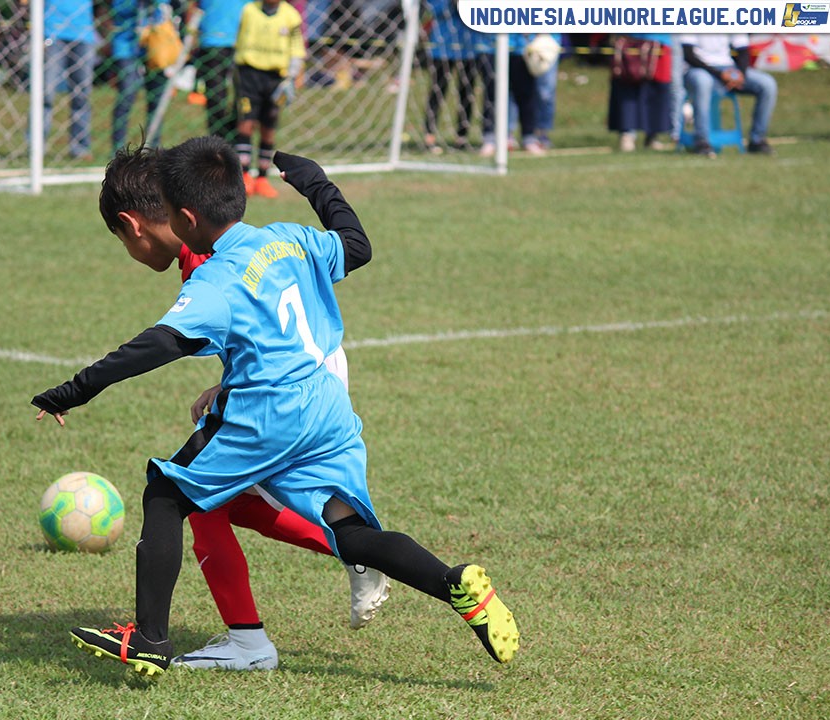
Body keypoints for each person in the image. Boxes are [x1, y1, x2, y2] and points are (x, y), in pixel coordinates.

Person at [32, 136, 520, 676]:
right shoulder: (288, 239)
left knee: (167, 494)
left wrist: (74, 390)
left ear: (186, 218)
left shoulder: (216, 279)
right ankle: (453, 584)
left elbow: (157, 345)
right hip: (326, 406)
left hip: (267, 412)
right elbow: (357, 246)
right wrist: (314, 180)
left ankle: (150, 638)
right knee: (349, 529)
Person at [92, 141, 389, 670]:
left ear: (134, 223)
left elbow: (256, 320)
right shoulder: (197, 239)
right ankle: (346, 559)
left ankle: (264, 631)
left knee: (199, 500)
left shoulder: (204, 248)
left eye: (119, 239)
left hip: (296, 383)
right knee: (222, 504)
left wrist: (230, 390)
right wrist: (227, 385)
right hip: (297, 375)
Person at [233, 0, 306, 198]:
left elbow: (297, 48)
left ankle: (262, 178)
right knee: (246, 123)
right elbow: (236, 39)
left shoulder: (290, 16)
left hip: (276, 78)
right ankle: (244, 176)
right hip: (249, 74)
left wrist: (292, 76)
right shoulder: (249, 11)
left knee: (269, 127)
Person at [680, 33, 778, 157]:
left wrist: (740, 74)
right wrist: (720, 75)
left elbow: (742, 50)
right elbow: (688, 54)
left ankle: (757, 140)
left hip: (728, 67)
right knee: (703, 82)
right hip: (698, 69)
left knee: (767, 84)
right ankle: (702, 141)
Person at [107, 1, 170, 154]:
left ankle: (152, 146)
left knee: (157, 98)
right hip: (127, 44)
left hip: (155, 44)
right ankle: (118, 145)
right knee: (127, 94)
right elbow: (117, 10)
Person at [187, 0, 250, 142]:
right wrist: (192, 34)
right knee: (216, 97)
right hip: (212, 43)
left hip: (243, 44)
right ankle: (217, 140)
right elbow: (193, 6)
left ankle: (235, 138)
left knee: (243, 96)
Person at [422, 0, 480, 154]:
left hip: (469, 45)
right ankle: (429, 136)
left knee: (467, 93)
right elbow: (433, 10)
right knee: (437, 91)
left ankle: (462, 138)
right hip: (442, 46)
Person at [43, 0, 96, 159]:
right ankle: (36, 145)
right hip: (51, 30)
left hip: (83, 33)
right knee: (45, 93)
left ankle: (79, 147)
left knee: (82, 94)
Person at [607, 33, 673, 152]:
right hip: (629, 41)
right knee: (626, 89)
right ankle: (627, 134)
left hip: (660, 42)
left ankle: (652, 136)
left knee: (657, 91)